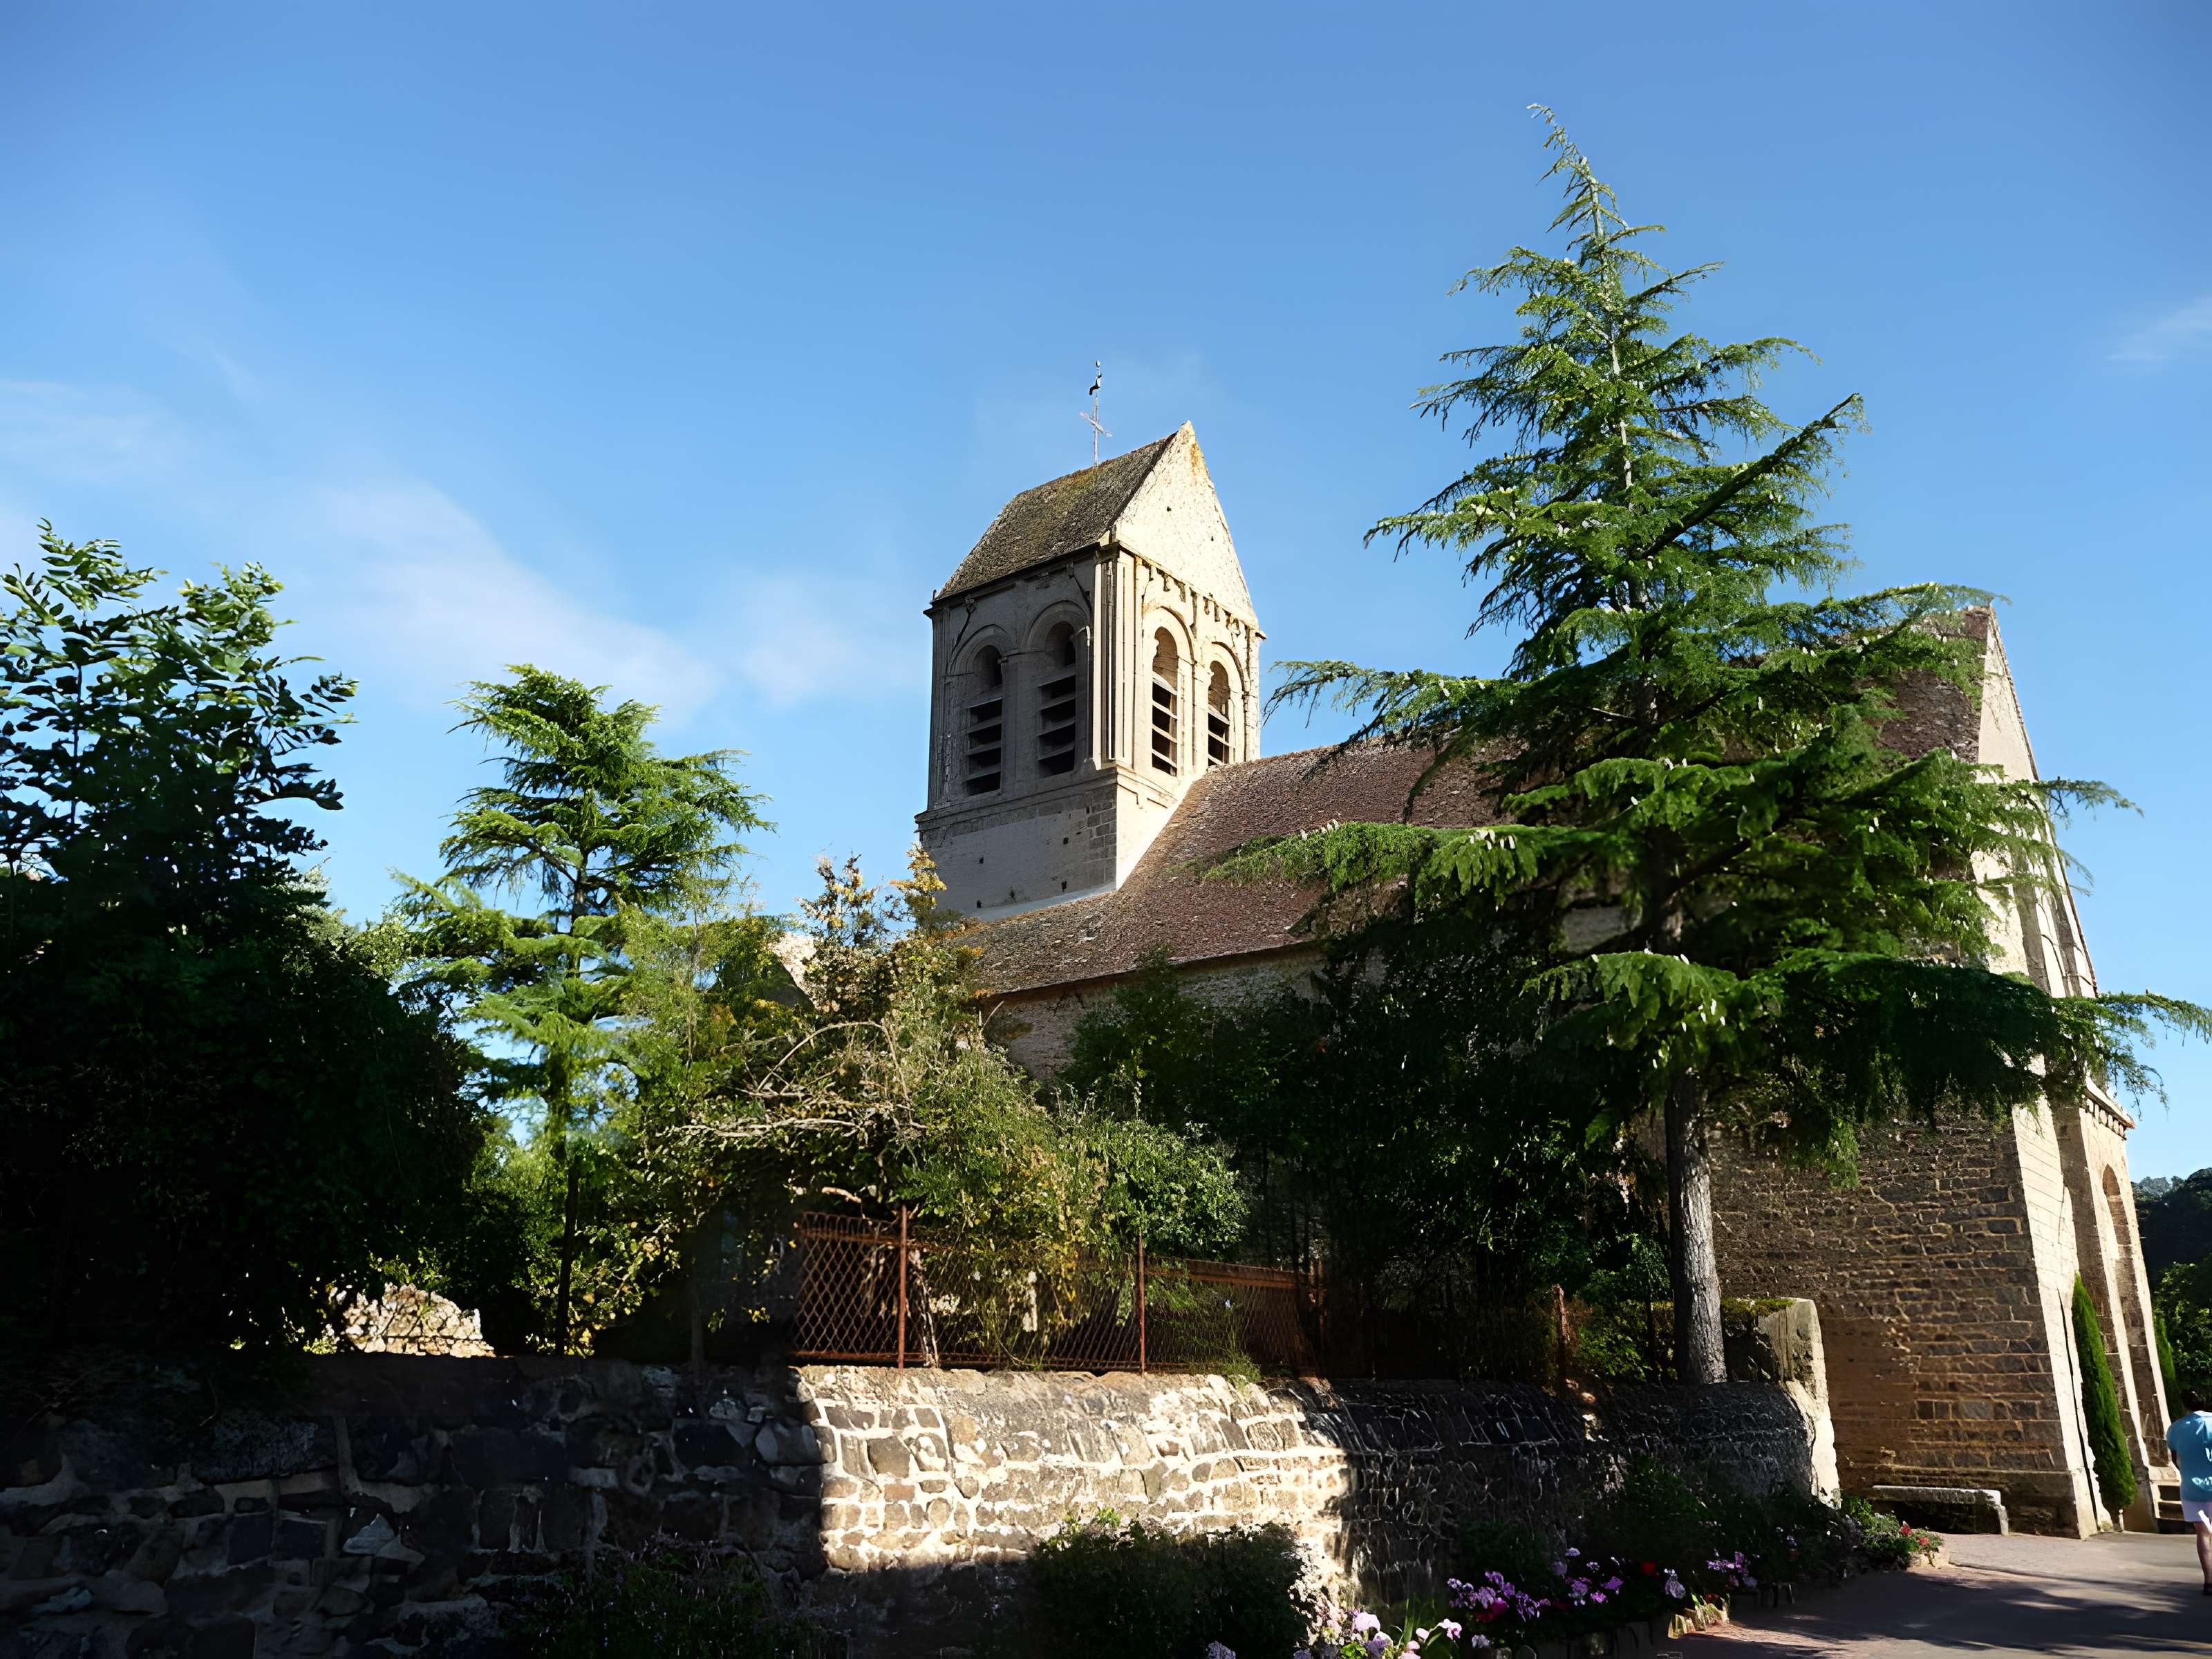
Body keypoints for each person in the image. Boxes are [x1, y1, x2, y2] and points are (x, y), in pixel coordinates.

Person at [2170, 1389, 2212, 1595]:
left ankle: (2209, 1582)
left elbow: (2174, 1458)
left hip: (2192, 1487)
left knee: (2203, 1533)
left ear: (2185, 1405)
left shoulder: (2176, 1428)